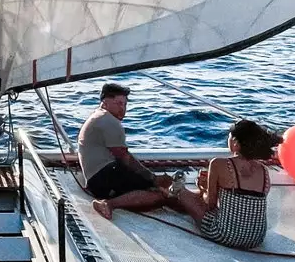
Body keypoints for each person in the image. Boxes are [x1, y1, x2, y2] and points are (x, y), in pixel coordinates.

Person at [79, 82, 207, 222]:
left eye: (125, 104)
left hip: (97, 178)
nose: (123, 109)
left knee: (165, 188)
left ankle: (193, 203)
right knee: (161, 191)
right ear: (105, 102)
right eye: (118, 103)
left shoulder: (98, 116)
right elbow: (125, 158)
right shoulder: (109, 121)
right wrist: (152, 178)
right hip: (104, 177)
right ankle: (108, 204)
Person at [193, 119, 278, 249]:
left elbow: (210, 206)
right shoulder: (264, 171)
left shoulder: (218, 164)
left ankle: (172, 193)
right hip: (256, 239)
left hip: (226, 235)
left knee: (185, 196)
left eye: (229, 136)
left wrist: (204, 189)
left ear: (235, 143)